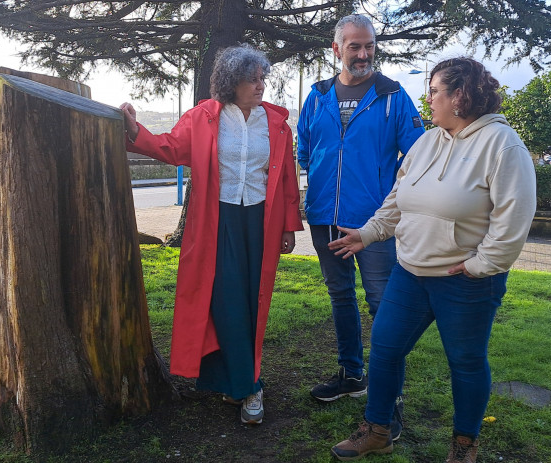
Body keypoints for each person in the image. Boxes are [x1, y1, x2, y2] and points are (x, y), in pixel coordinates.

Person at [327, 57, 536, 462]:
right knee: (385, 350)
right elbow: (398, 200)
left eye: (435, 91)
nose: (429, 99)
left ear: (459, 96)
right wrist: (368, 234)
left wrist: (479, 266)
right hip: (410, 272)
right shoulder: (427, 141)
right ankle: (378, 430)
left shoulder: (502, 145)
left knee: (466, 362)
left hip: (466, 280)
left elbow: (512, 223)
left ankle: (463, 446)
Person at [120, 44, 302, 425]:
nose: (260, 86)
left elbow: (286, 177)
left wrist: (288, 225)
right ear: (231, 82)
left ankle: (240, 380)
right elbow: (170, 147)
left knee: (254, 300)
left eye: (262, 78)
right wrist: (136, 131)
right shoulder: (204, 117)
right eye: (251, 79)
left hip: (261, 223)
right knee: (225, 299)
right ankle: (248, 386)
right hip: (217, 222)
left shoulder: (277, 123)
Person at [295, 13, 424, 435]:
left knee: (382, 305)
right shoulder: (316, 95)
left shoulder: (393, 95)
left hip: (374, 225)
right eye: (355, 46)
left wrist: (396, 206)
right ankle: (352, 375)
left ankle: (391, 401)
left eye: (369, 45)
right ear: (337, 49)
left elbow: (420, 157)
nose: (364, 53)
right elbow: (306, 150)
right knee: (340, 297)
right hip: (324, 218)